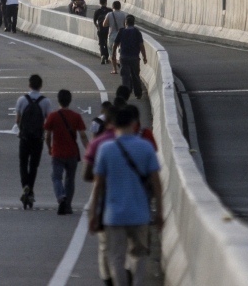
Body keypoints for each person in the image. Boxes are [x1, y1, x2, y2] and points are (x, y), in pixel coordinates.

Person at [89, 106, 163, 286]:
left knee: (116, 258)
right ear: (134, 123)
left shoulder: (105, 149)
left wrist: (93, 214)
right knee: (139, 257)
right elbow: (156, 184)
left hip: (113, 215)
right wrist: (159, 213)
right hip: (140, 214)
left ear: (113, 124)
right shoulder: (145, 147)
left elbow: (97, 186)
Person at [84, 102, 120, 286]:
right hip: (135, 208)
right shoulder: (138, 141)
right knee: (129, 251)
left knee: (106, 247)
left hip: (108, 205)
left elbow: (90, 178)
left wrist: (92, 213)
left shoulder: (100, 144)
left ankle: (108, 280)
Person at [44, 89, 89, 215]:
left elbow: (47, 135)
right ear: (70, 101)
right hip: (72, 153)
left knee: (56, 177)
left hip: (57, 152)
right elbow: (83, 135)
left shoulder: (53, 116)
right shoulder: (76, 116)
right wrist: (90, 150)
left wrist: (49, 147)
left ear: (58, 100)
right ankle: (68, 205)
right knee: (70, 179)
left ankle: (61, 197)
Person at [16, 74, 56, 209]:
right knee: (33, 165)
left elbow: (18, 119)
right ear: (40, 86)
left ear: (29, 85)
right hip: (38, 138)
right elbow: (49, 121)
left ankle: (25, 187)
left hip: (25, 137)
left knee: (23, 163)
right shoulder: (45, 102)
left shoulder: (22, 100)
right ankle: (30, 189)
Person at [117, 15, 147, 99]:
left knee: (125, 76)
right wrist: (144, 57)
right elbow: (141, 46)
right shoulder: (137, 32)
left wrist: (112, 54)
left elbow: (115, 44)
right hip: (134, 58)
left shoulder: (121, 31)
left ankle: (125, 94)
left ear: (125, 23)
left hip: (124, 57)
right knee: (135, 76)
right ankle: (138, 93)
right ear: (134, 23)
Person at [103, 1, 127, 74]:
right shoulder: (123, 15)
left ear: (112, 7)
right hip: (122, 35)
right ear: (120, 7)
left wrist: (110, 24)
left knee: (112, 52)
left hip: (112, 35)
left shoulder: (109, 14)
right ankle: (122, 66)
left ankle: (114, 69)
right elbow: (125, 25)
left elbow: (104, 24)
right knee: (122, 52)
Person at [94, 0, 112, 64]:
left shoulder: (97, 11)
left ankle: (102, 55)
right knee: (107, 43)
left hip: (100, 29)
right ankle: (107, 58)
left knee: (101, 43)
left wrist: (97, 27)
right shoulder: (110, 11)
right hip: (108, 29)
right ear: (106, 2)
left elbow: (94, 21)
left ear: (99, 2)